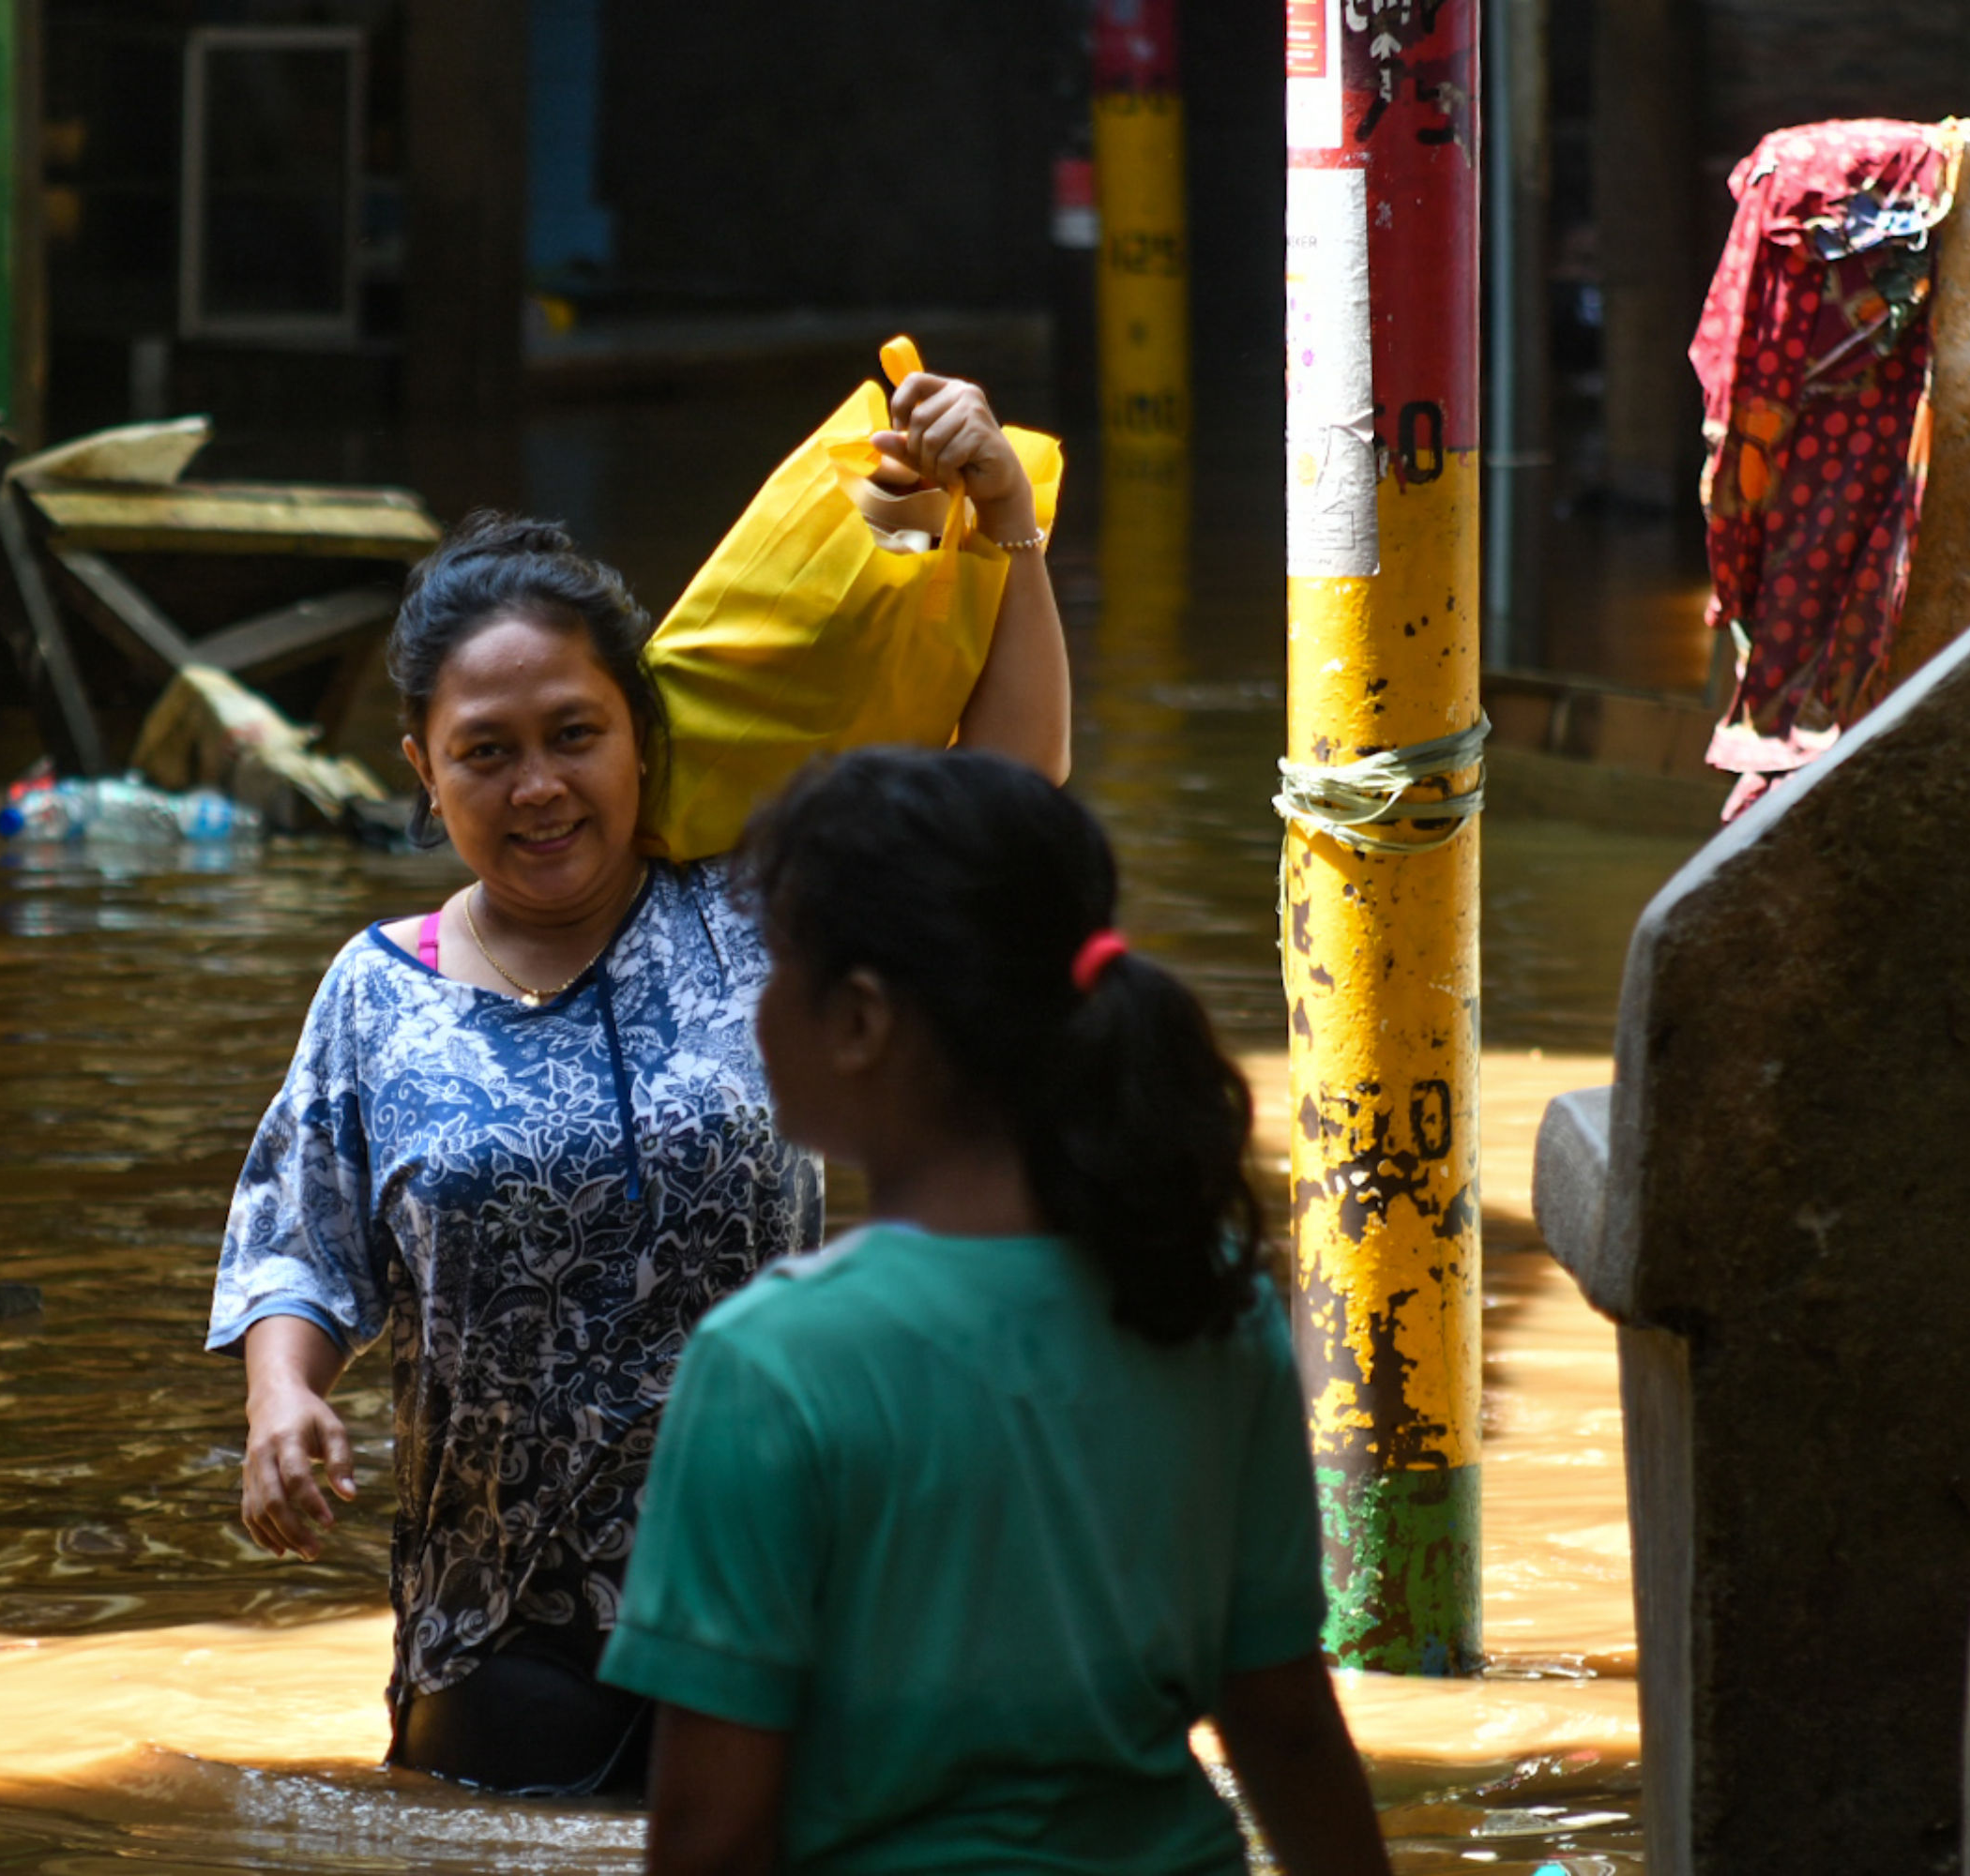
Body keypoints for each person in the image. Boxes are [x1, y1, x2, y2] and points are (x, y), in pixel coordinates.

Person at [205, 374, 1072, 1795]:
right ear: (424, 772)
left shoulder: (756, 922)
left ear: (641, 737)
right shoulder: (380, 992)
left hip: (781, 1614)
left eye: (573, 735)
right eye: (487, 753)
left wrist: (1010, 528)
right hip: (499, 1640)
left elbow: (1013, 801)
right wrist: (279, 1403)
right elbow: (301, 1245)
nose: (537, 787)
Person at [600, 749, 1391, 1876]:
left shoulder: (771, 1362)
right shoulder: (1206, 1293)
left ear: (862, 1018)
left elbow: (710, 1832)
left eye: (776, 967)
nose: (757, 1008)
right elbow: (1285, 1721)